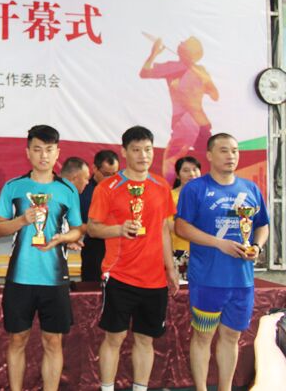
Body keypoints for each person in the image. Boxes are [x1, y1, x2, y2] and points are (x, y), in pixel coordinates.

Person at [87, 126, 179, 391]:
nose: (143, 155)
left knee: (146, 339)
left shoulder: (161, 186)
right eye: (136, 150)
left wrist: (170, 268)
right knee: (114, 338)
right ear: (124, 152)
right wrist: (119, 229)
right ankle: (107, 388)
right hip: (120, 275)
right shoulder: (108, 187)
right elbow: (93, 228)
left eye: (147, 149)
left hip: (154, 279)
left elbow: (163, 229)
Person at [175, 133, 269, 391]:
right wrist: (219, 243)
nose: (231, 156)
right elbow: (181, 227)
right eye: (224, 150)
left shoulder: (250, 189)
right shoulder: (195, 188)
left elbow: (262, 225)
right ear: (209, 155)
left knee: (231, 337)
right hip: (208, 279)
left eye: (235, 151)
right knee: (203, 336)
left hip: (242, 280)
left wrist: (257, 246)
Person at [0, 125, 84, 391]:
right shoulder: (14, 187)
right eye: (37, 149)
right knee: (17, 339)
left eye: (49, 150)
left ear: (57, 152)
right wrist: (22, 220)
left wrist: (63, 238)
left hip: (54, 278)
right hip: (20, 277)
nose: (43, 155)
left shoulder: (67, 189)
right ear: (28, 153)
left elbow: (78, 229)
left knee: (53, 342)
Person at [140, 35, 218, 183]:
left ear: (190, 51)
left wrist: (154, 53)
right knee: (205, 161)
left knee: (172, 162)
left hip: (188, 121)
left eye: (185, 43)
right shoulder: (177, 68)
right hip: (196, 121)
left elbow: (214, 95)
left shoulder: (195, 70)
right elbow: (144, 73)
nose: (181, 43)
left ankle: (172, 191)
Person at [80, 150, 120, 282]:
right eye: (106, 174)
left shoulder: (123, 189)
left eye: (114, 174)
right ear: (95, 169)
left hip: (118, 249)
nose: (111, 179)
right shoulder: (84, 190)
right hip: (95, 249)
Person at [169, 156, 201, 264]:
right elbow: (169, 225)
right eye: (186, 170)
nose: (191, 174)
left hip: (205, 251)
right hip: (179, 253)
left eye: (195, 169)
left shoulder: (209, 196)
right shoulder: (170, 196)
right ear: (178, 175)